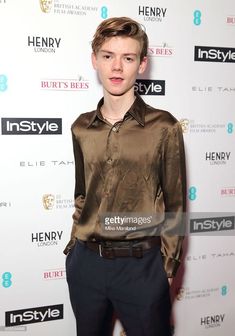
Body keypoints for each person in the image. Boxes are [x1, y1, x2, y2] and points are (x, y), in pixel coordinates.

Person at [64, 16, 186, 336]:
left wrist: (168, 268)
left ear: (141, 64)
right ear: (95, 61)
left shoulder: (165, 127)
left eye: (128, 58)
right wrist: (73, 248)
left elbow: (175, 203)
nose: (117, 67)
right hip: (86, 265)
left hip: (142, 267)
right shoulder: (80, 127)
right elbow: (82, 193)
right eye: (108, 56)